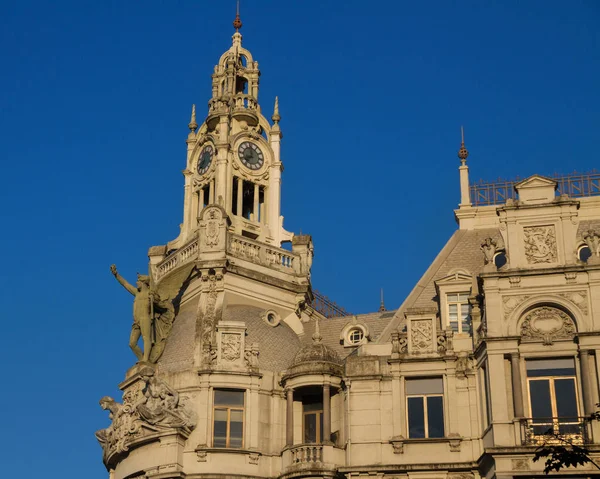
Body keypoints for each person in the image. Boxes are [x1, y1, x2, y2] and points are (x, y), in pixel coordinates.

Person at [110, 264, 153, 362]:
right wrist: (116, 275)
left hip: (145, 318)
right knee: (132, 343)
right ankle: (141, 358)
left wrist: (154, 299)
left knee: (146, 338)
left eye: (138, 281)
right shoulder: (137, 293)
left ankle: (145, 359)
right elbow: (125, 284)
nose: (136, 282)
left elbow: (158, 303)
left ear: (143, 283)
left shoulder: (149, 294)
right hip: (136, 321)